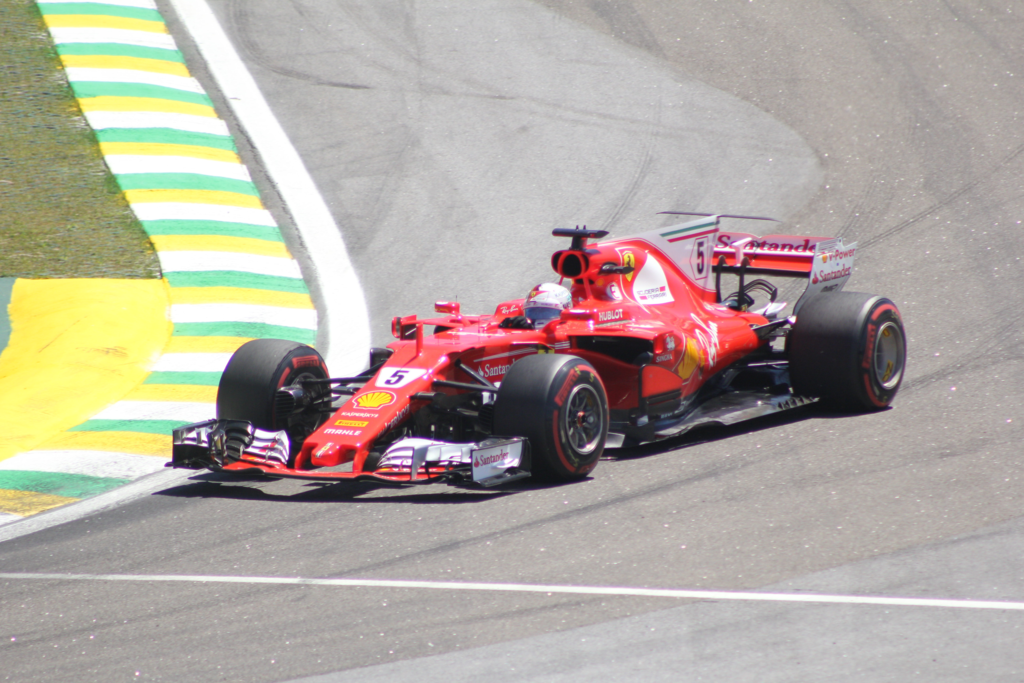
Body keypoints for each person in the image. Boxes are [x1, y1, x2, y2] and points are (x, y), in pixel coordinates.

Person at [500, 282, 572, 329]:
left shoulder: (574, 334)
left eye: (545, 311)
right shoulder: (524, 328)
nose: (538, 317)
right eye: (533, 311)